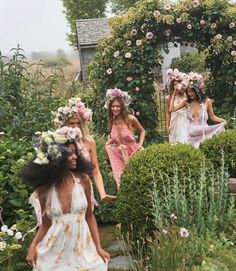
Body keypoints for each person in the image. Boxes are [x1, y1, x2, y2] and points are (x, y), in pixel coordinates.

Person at [18, 131, 109, 270]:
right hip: (55, 251)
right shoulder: (45, 189)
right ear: (58, 158)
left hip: (82, 247)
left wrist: (99, 247)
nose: (75, 157)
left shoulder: (83, 180)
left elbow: (89, 217)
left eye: (75, 153)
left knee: (98, 266)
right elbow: (45, 224)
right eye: (70, 154)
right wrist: (32, 247)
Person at [53, 98, 116, 202]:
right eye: (72, 123)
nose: (76, 127)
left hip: (83, 186)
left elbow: (95, 171)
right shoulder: (60, 141)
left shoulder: (90, 142)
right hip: (64, 186)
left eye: (78, 123)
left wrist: (102, 193)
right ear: (65, 124)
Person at [169, 72, 226, 148]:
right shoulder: (186, 102)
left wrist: (222, 120)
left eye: (192, 91)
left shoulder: (207, 101)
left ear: (198, 90)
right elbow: (171, 109)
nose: (190, 93)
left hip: (204, 133)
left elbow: (212, 117)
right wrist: (174, 95)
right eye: (188, 91)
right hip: (192, 135)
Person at [105, 88, 145, 189]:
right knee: (121, 183)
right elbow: (115, 138)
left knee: (137, 181)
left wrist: (140, 144)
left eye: (118, 106)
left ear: (122, 107)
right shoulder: (112, 121)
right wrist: (108, 142)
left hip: (133, 152)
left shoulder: (130, 118)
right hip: (120, 154)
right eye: (113, 106)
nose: (115, 108)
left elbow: (142, 131)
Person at [165, 69, 189, 143]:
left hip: (184, 120)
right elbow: (168, 112)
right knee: (174, 140)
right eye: (174, 84)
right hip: (174, 120)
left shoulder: (186, 97)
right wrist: (167, 125)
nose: (176, 86)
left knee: (184, 139)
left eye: (178, 84)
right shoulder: (169, 98)